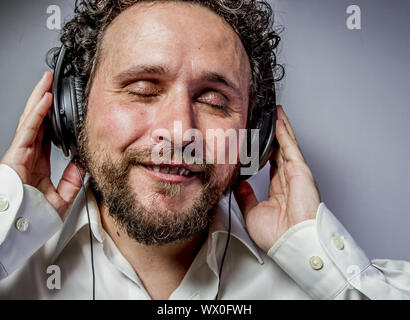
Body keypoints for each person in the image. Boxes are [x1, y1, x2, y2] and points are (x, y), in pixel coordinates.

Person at [0, 0, 409, 300]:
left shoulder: (322, 283)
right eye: (143, 90)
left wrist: (316, 255)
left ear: (257, 132)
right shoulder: (12, 265)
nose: (180, 132)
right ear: (73, 111)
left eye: (214, 101)